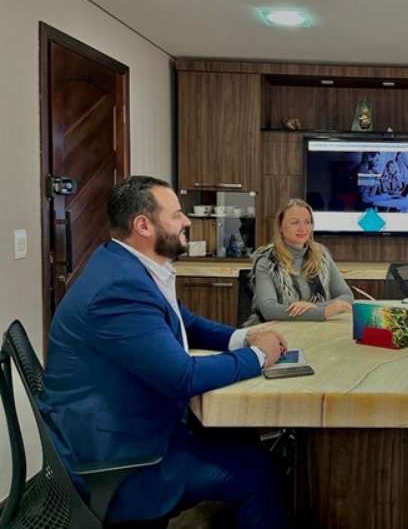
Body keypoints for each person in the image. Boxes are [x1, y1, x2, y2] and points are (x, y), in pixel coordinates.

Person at [37, 176, 287, 528]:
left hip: (128, 426)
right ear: (143, 225)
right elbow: (183, 377)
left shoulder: (124, 266)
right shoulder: (119, 289)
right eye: (176, 215)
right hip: (122, 461)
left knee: (241, 434)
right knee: (260, 470)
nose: (187, 221)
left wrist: (243, 338)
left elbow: (185, 322)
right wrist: (259, 357)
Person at [246, 198, 354, 323]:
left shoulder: (321, 255)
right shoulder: (267, 261)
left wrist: (313, 307)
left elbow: (347, 296)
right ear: (280, 226)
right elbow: (269, 310)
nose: (303, 228)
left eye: (307, 222)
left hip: (318, 328)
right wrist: (323, 311)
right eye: (295, 222)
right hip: (278, 330)